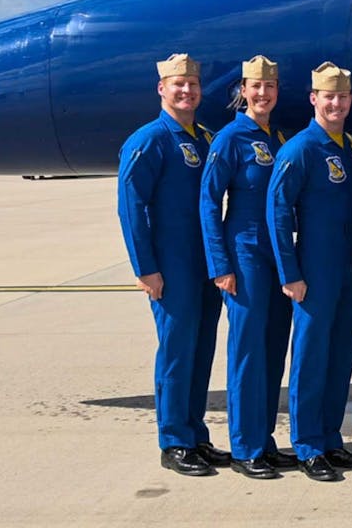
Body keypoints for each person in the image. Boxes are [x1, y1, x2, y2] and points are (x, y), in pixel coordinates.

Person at [117, 53, 228, 476]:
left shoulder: (204, 138)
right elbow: (132, 208)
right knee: (177, 352)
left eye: (193, 86)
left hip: (205, 263)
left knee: (201, 351)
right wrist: (146, 267)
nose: (186, 92)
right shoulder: (149, 140)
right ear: (162, 89)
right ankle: (174, 441)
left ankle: (196, 434)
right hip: (171, 264)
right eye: (178, 85)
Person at [266, 62, 352, 482]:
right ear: (314, 99)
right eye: (328, 96)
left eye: (343, 97)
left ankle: (331, 437)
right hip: (312, 267)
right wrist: (289, 272)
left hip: (346, 265)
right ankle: (307, 444)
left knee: (340, 352)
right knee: (310, 357)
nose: (336, 103)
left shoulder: (351, 146)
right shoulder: (300, 149)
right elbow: (277, 211)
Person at [200, 55, 295, 479]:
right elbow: (208, 201)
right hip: (245, 252)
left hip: (277, 255)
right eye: (255, 87)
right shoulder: (230, 138)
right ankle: (244, 448)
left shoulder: (275, 138)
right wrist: (220, 264)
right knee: (247, 351)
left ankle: (265, 440)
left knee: (273, 349)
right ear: (243, 90)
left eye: (269, 87)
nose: (263, 94)